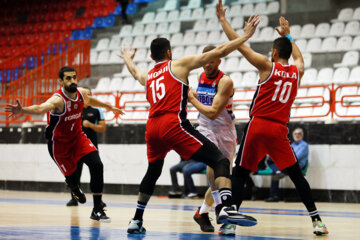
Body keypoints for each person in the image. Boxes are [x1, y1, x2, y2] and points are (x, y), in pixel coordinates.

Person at [118, 15, 260, 234]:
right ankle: (225, 208)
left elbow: (135, 72)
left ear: (150, 56)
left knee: (152, 172)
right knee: (220, 160)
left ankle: (136, 220)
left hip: (152, 127)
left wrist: (127, 58)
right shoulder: (178, 65)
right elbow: (219, 51)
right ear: (168, 53)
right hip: (172, 124)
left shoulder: (149, 76)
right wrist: (245, 36)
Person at [216, 0, 328, 236]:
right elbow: (300, 59)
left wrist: (224, 21)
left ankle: (229, 222)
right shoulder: (297, 72)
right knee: (297, 176)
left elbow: (240, 46)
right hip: (279, 129)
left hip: (258, 126)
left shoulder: (267, 66)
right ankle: (317, 220)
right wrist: (289, 36)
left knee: (240, 173)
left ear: (274, 53)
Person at [5, 66, 124, 222]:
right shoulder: (58, 100)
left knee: (97, 165)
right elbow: (41, 108)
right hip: (60, 146)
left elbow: (89, 100)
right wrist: (23, 110)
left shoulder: (81, 92)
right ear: (60, 81)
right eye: (68, 78)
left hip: (78, 138)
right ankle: (74, 188)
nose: (73, 80)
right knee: (73, 179)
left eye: (74, 77)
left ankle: (97, 209)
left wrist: (109, 107)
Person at [187, 45, 237, 236]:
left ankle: (201, 213)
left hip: (224, 129)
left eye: (211, 60)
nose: (206, 64)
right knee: (214, 163)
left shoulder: (225, 81)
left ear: (219, 60)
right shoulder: (200, 76)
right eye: (204, 60)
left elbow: (214, 112)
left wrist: (192, 99)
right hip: (206, 128)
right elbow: (205, 109)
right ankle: (221, 210)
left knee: (222, 177)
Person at [66, 87, 107, 207]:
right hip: (76, 146)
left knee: (96, 171)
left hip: (91, 146)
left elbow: (103, 127)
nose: (87, 97)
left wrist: (90, 125)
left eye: (89, 95)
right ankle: (74, 198)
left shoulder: (97, 110)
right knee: (75, 173)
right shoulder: (74, 109)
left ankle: (98, 200)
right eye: (85, 95)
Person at [265, 128, 309, 202]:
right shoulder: (292, 144)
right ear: (293, 135)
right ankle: (278, 171)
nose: (297, 135)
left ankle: (274, 193)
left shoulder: (304, 145)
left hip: (297, 165)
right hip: (288, 163)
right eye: (295, 134)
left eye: (299, 134)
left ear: (302, 135)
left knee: (275, 170)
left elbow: (296, 157)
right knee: (271, 160)